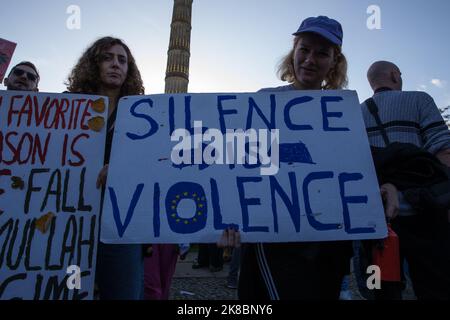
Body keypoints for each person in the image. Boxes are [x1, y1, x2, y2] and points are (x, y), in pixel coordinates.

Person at [218, 16, 399, 300]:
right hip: (272, 238)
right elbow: (239, 165)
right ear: (294, 52)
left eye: (322, 53)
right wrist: (228, 214)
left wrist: (382, 186)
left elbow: (354, 167)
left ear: (334, 62)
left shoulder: (343, 112)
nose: (310, 59)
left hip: (327, 242)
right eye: (304, 49)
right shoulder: (263, 102)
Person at [360, 60, 450, 300]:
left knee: (381, 289)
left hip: (377, 217)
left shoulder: (355, 113)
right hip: (425, 212)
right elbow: (444, 151)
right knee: (436, 285)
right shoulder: (419, 99)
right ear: (394, 75)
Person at [66, 36, 145, 300]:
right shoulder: (67, 108)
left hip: (119, 226)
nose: (115, 64)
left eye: (122, 60)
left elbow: (156, 165)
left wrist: (122, 168)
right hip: (70, 222)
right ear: (93, 64)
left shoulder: (141, 117)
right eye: (107, 58)